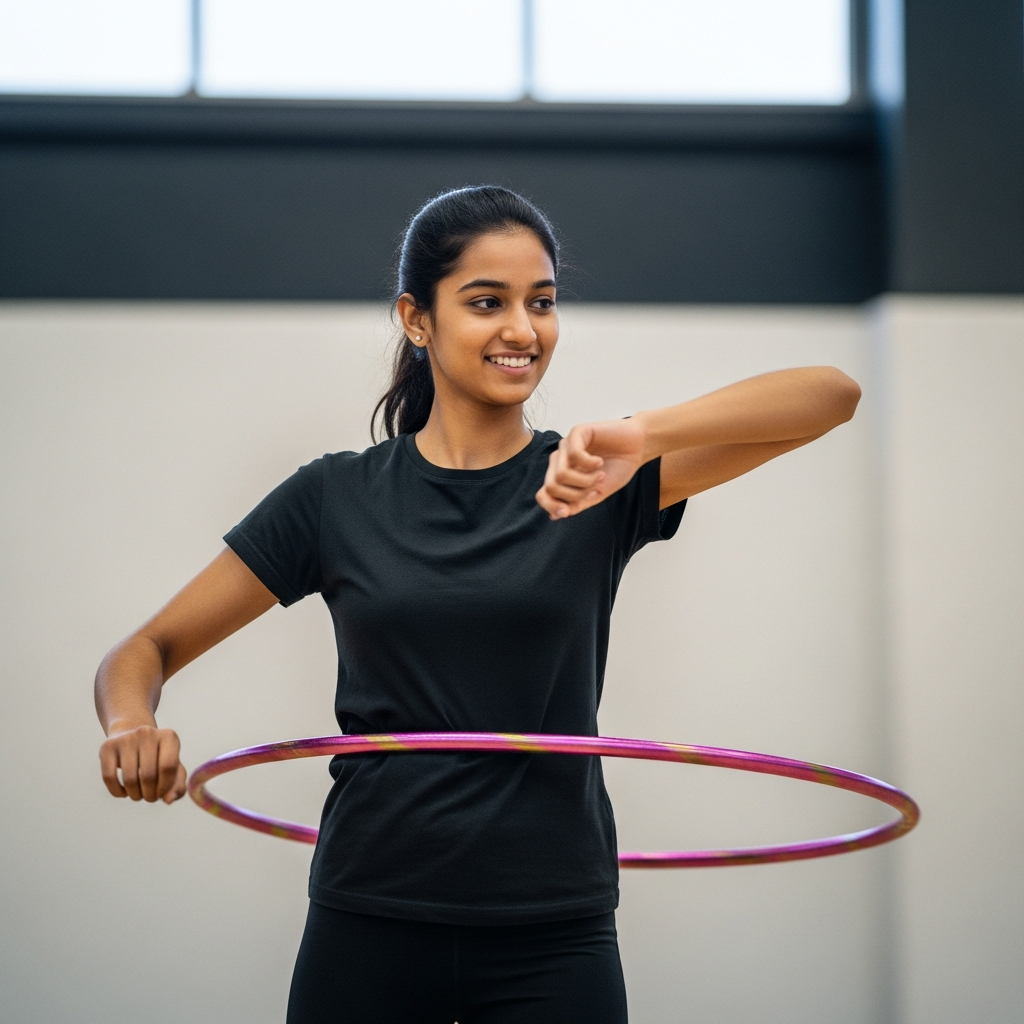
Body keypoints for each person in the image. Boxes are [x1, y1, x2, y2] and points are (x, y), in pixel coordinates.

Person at [94, 185, 861, 1024]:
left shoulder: (591, 478)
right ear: (417, 319)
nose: (523, 331)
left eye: (543, 303)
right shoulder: (333, 498)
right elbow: (144, 651)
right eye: (486, 302)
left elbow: (832, 394)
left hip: (554, 928)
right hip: (369, 916)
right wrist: (132, 724)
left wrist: (647, 434)